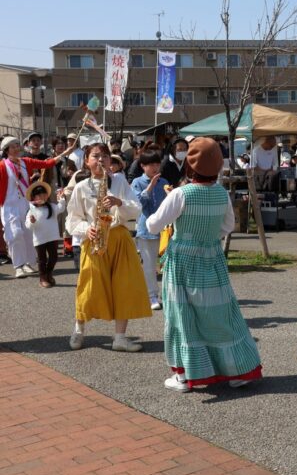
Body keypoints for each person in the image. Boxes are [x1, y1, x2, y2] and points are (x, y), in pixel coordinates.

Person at [146, 138, 262, 392]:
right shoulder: (221, 193)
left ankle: (185, 375)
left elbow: (152, 225)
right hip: (212, 257)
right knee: (220, 313)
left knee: (182, 315)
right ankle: (236, 370)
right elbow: (227, 227)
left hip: (183, 261)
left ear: (189, 163)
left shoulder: (180, 194)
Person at [66, 143, 151, 352]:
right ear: (86, 161)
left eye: (105, 156)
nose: (101, 160)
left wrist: (119, 202)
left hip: (119, 238)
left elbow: (137, 209)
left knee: (124, 286)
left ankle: (120, 337)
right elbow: (72, 220)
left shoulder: (120, 182)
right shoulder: (81, 187)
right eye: (95, 156)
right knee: (88, 286)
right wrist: (87, 229)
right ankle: (78, 329)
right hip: (94, 240)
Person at [1, 136, 72, 278]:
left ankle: (27, 263)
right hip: (9, 205)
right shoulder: (2, 166)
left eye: (17, 145)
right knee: (15, 234)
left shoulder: (25, 162)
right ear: (7, 150)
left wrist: (64, 153)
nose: (16, 148)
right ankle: (18, 265)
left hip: (25, 203)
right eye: (13, 146)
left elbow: (47, 163)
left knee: (28, 233)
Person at [131, 150, 169, 312]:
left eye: (157, 164)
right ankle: (152, 296)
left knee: (168, 263)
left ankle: (167, 295)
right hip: (146, 229)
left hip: (165, 229)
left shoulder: (164, 181)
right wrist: (150, 186)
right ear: (142, 166)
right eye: (150, 164)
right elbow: (137, 204)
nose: (155, 167)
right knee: (149, 265)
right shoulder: (137, 182)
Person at [24, 181, 66, 288]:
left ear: (47, 196)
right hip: (39, 239)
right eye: (39, 195)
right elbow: (28, 225)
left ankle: (48, 274)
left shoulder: (51, 206)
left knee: (54, 257)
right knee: (42, 260)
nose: (42, 197)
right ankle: (43, 278)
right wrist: (32, 221)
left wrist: (61, 198)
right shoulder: (31, 210)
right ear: (33, 197)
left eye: (44, 194)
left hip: (53, 237)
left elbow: (61, 208)